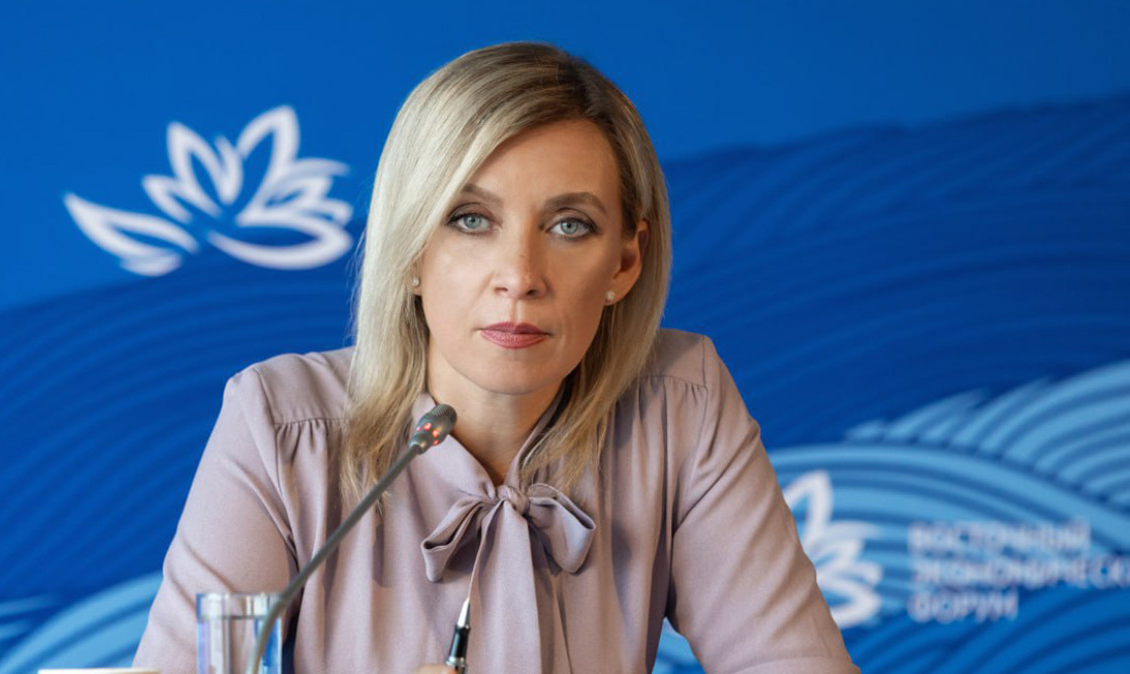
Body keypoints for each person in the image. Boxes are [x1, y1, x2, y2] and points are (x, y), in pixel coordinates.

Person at [133, 42, 858, 674]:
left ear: (624, 262)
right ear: (410, 250)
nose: (519, 275)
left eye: (569, 225)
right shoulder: (278, 426)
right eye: (470, 219)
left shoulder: (681, 405)